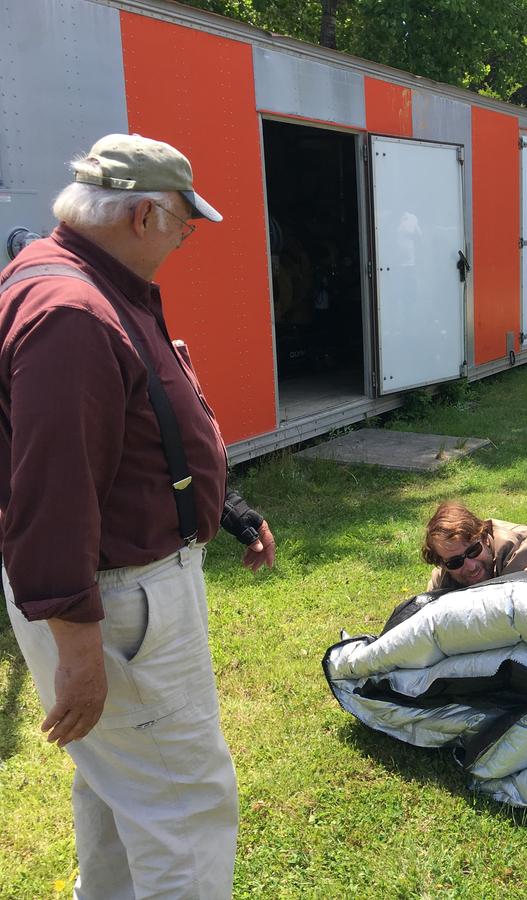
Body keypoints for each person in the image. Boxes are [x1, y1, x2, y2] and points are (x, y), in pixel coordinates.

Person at [0, 134, 276, 897]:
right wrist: (79, 650)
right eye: (185, 219)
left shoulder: (91, 285)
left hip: (121, 596)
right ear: (144, 213)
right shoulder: (75, 313)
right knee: (184, 805)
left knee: (121, 786)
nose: (190, 234)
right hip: (121, 605)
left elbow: (142, 434)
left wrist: (231, 510)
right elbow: (50, 493)